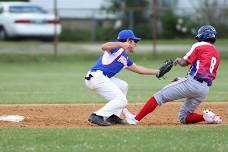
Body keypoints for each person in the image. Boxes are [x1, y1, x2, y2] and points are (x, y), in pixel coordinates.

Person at [123, 25, 222, 125]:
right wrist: (183, 79)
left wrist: (179, 60)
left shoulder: (199, 45)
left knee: (159, 97)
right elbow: (204, 73)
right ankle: (208, 117)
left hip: (192, 84)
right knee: (184, 118)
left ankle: (135, 119)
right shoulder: (216, 53)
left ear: (202, 35)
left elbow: (184, 62)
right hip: (204, 89)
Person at [85, 29, 160, 126]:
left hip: (100, 78)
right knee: (122, 100)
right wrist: (120, 44)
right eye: (134, 41)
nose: (136, 44)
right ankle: (97, 115)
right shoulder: (117, 49)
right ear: (129, 41)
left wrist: (157, 72)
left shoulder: (125, 58)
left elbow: (138, 69)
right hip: (97, 77)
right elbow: (103, 46)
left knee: (123, 86)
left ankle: (113, 116)